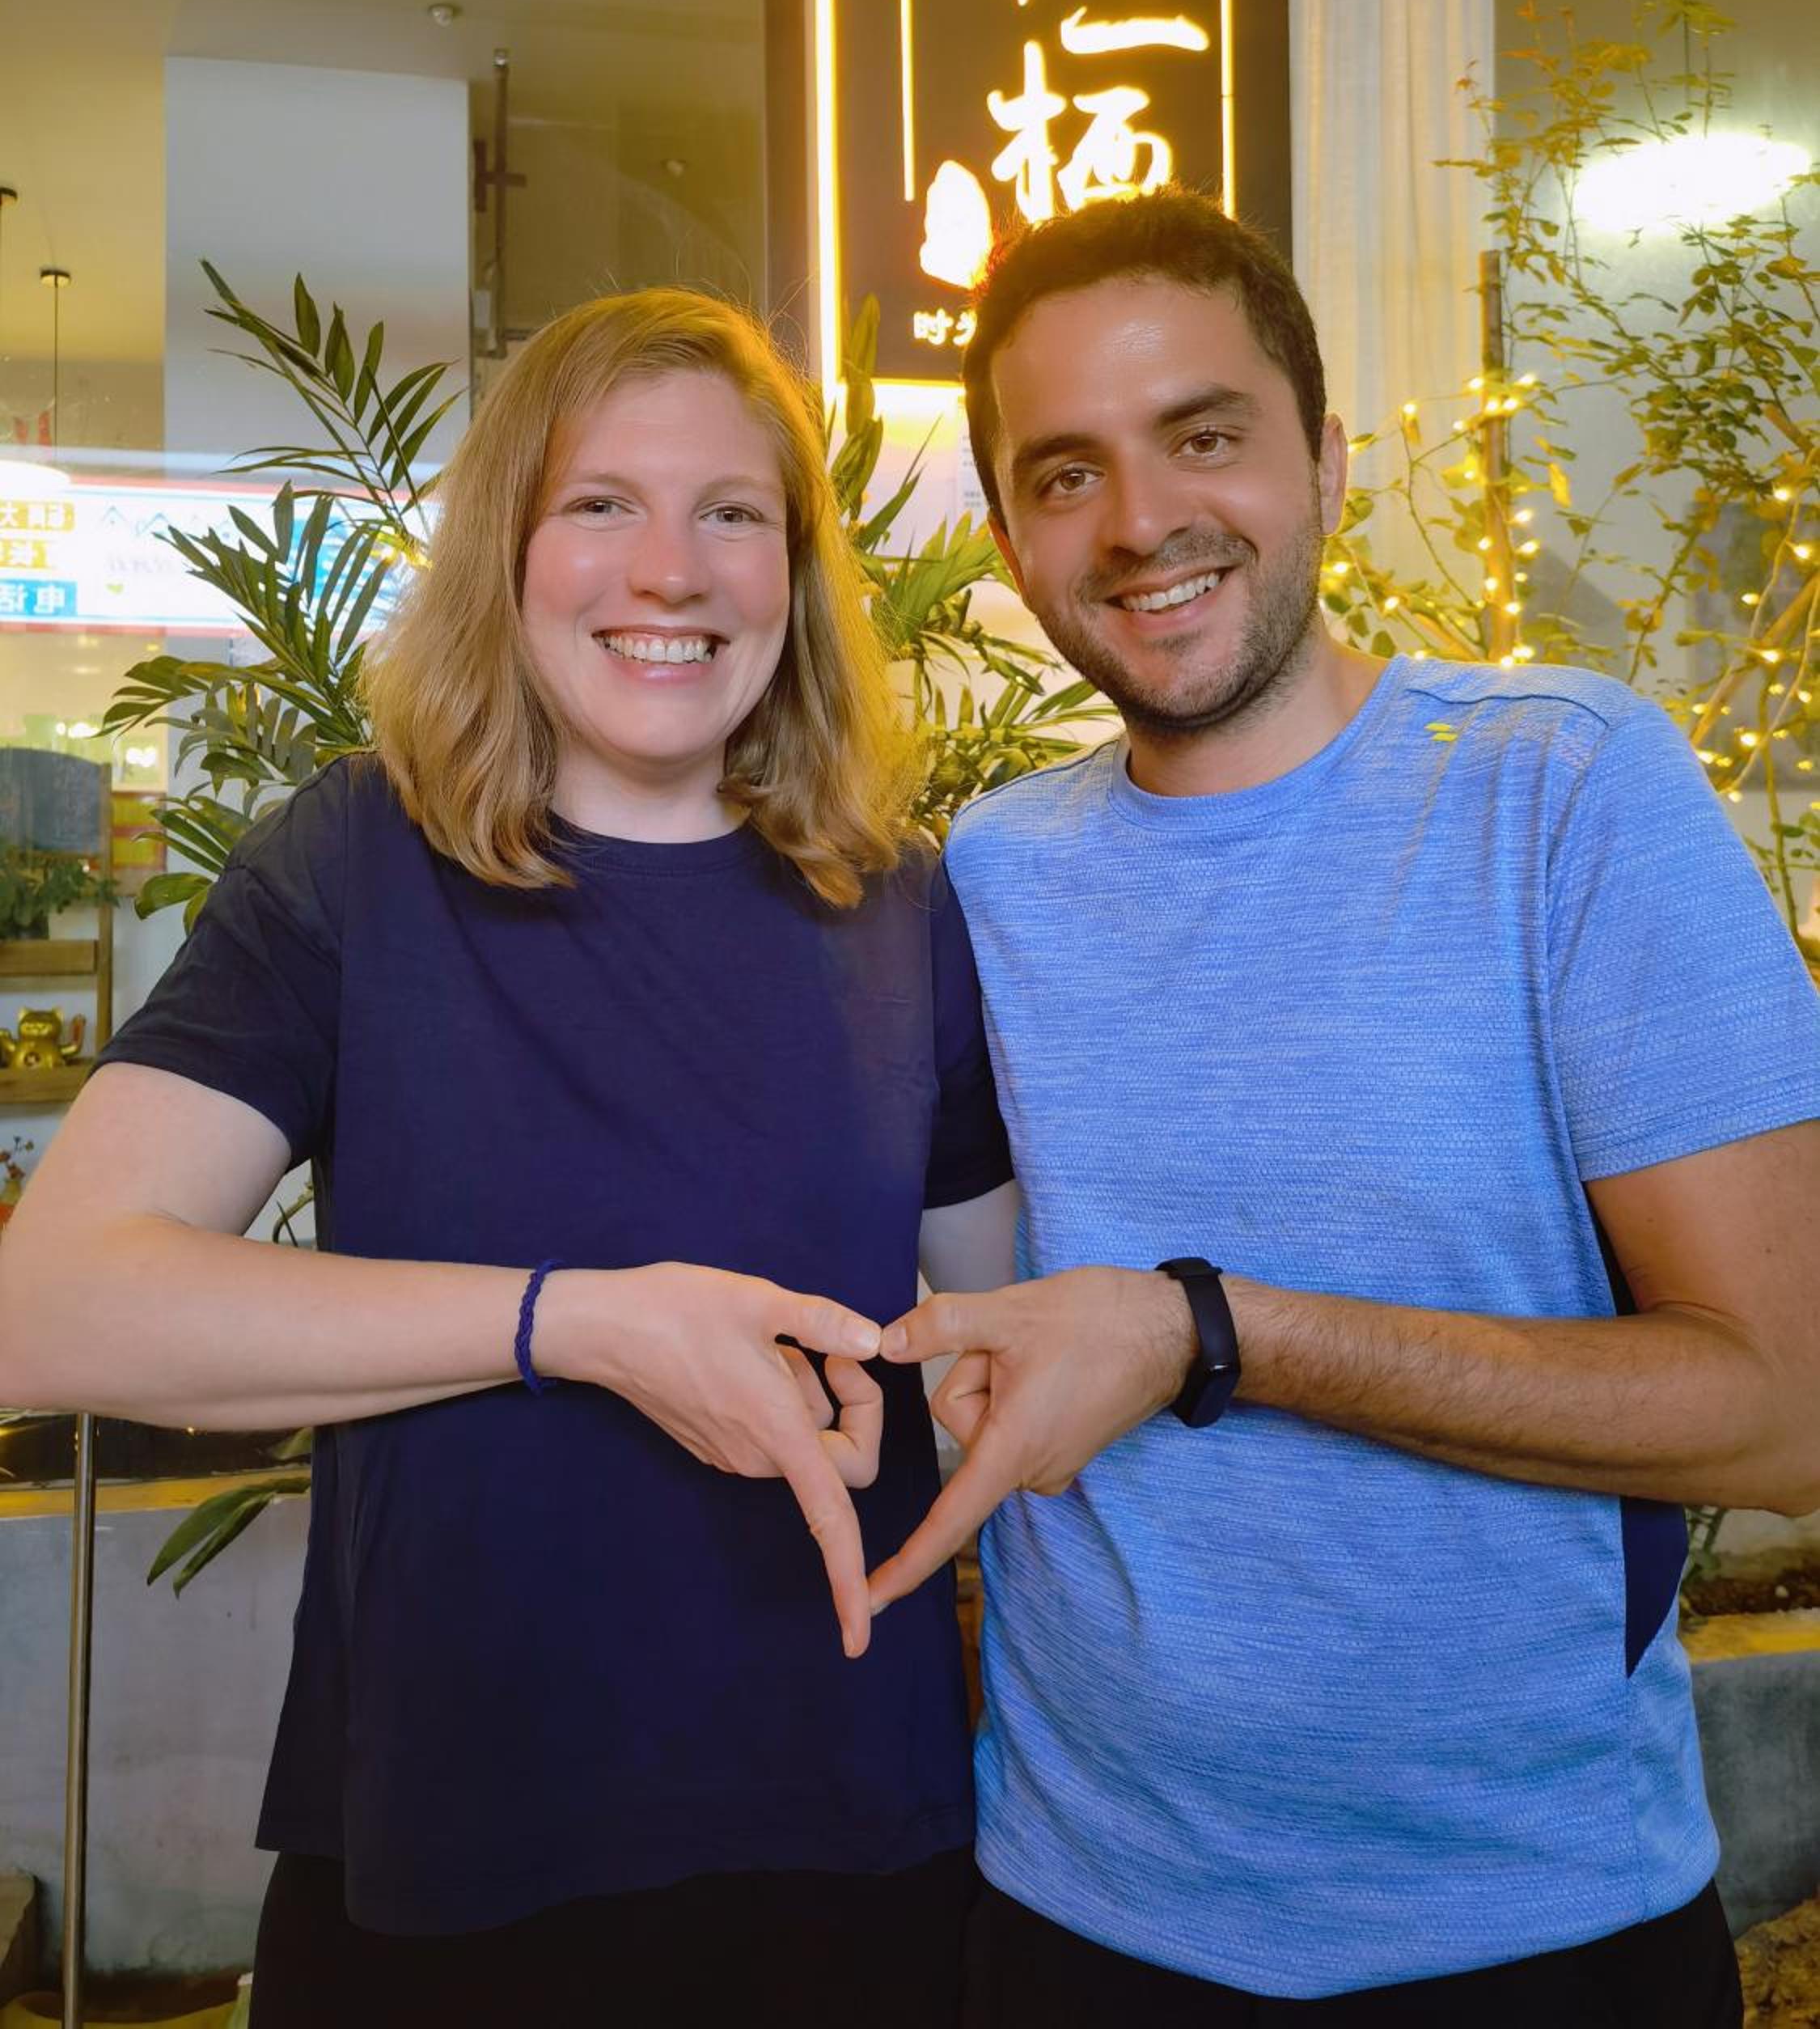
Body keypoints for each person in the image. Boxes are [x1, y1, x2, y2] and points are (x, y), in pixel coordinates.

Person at [0, 289, 1015, 2027]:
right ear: (508, 549)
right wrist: (584, 1324)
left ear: (792, 572)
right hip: (452, 1841)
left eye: (732, 513)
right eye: (601, 503)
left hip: (847, 1832)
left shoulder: (897, 901)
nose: (670, 572)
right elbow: (53, 1308)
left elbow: (1001, 1340)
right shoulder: (355, 862)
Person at [867, 189, 1820, 2026]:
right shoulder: (985, 875)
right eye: (1065, 474)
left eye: (1202, 434)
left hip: (1537, 1931)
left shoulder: (1561, 790)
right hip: (1074, 1917)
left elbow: (1785, 1409)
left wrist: (1212, 1334)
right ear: (1005, 537)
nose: (1138, 522)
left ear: (1321, 453)